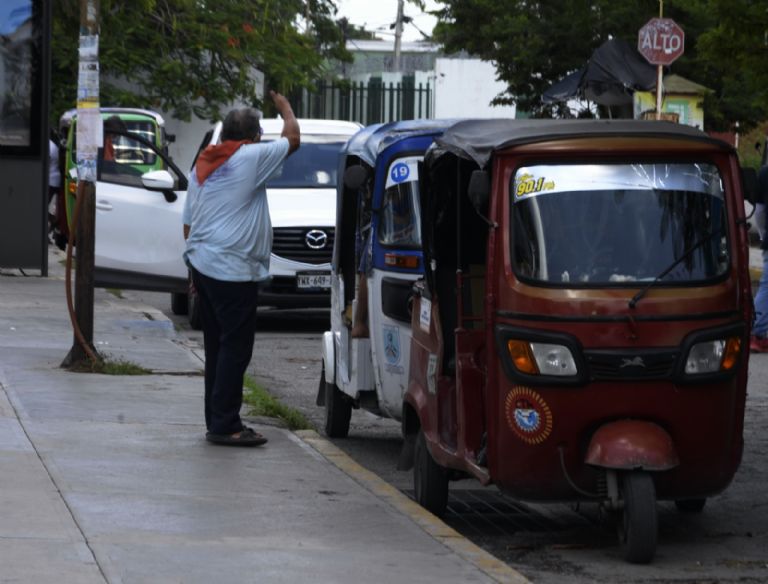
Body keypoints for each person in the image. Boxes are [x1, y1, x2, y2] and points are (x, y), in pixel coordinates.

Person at [182, 91, 300, 446]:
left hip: (204, 265)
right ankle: (226, 425)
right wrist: (286, 109)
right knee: (236, 348)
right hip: (231, 270)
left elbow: (188, 224)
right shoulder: (249, 157)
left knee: (218, 347)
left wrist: (192, 275)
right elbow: (292, 139)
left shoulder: (203, 164)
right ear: (252, 138)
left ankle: (217, 419)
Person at [751, 163, 768, 352]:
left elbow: (760, 211)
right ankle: (757, 331)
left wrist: (764, 234)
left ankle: (758, 331)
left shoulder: (764, 172)